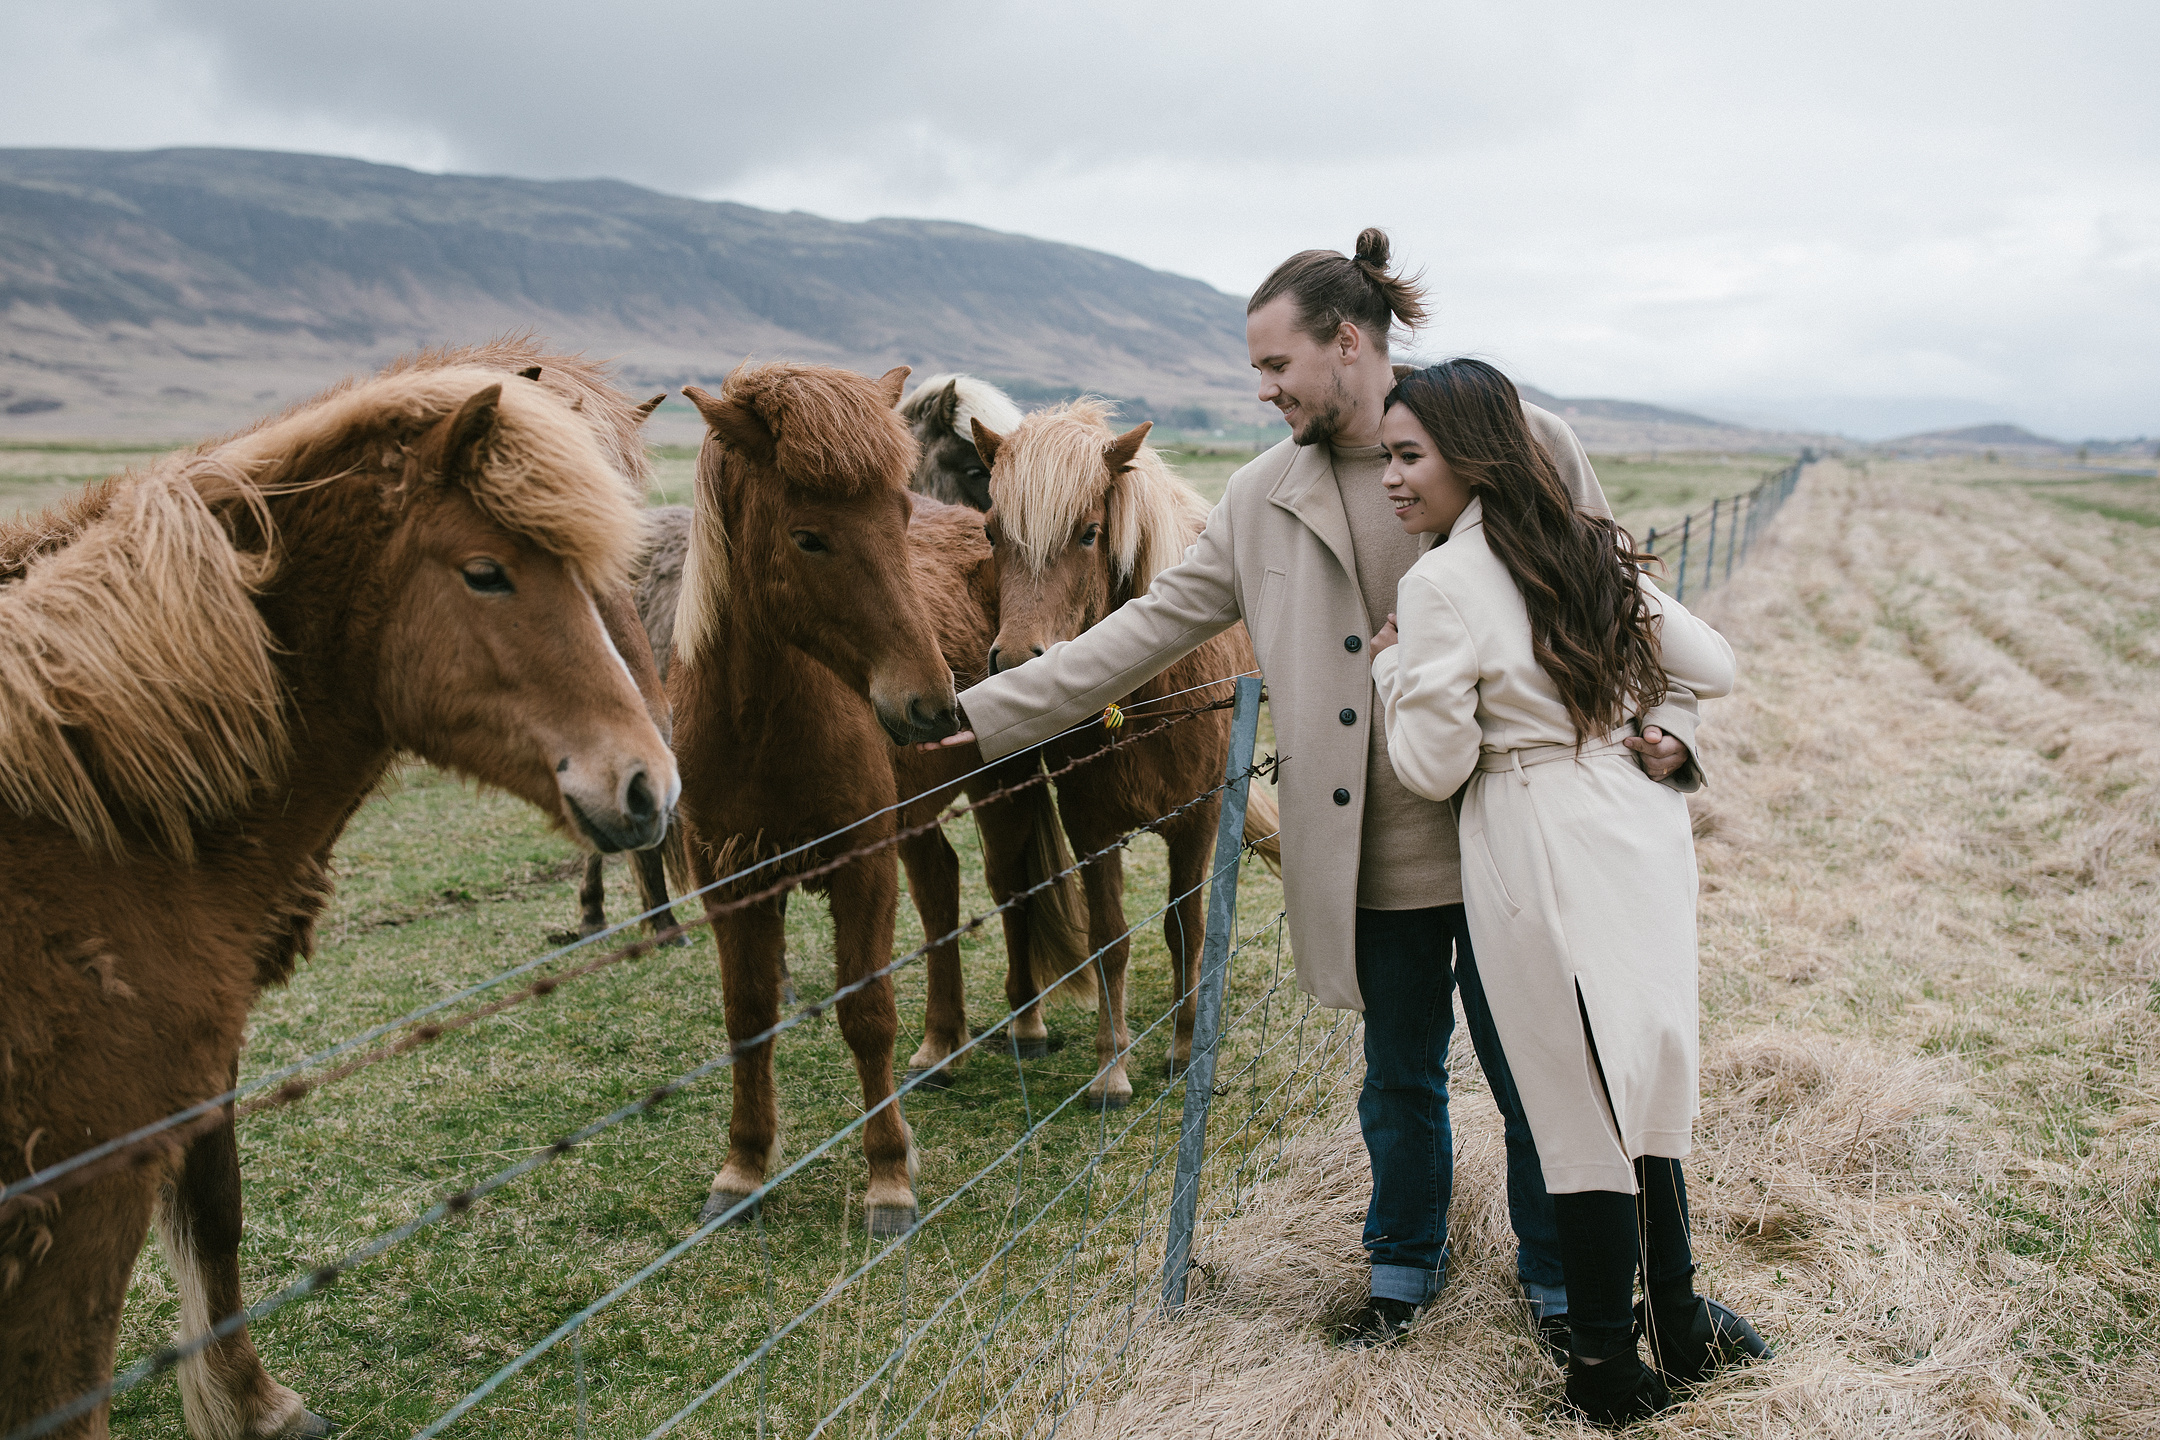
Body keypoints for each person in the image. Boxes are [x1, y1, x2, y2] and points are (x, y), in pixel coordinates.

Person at [925, 229, 1711, 1352]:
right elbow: (1147, 632)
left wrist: (1668, 724)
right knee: (1395, 1078)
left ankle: (1563, 1290)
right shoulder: (1260, 496)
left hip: (1519, 836)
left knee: (1545, 1075)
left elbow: (1625, 597)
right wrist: (990, 716)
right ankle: (1401, 1273)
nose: (1263, 390)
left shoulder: (1527, 444)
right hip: (1366, 851)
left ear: (1348, 345)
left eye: (1275, 365)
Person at [1368, 358, 1769, 1422]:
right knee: (1641, 1068)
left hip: (1534, 835)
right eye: (1386, 460)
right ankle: (1677, 1319)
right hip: (1634, 829)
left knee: (1571, 1097)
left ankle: (1601, 1363)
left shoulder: (1438, 584)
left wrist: (1392, 671)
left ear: (1474, 458)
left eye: (1409, 457)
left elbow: (1433, 766)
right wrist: (1662, 728)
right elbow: (1712, 664)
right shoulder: (1584, 551)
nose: (1393, 481)